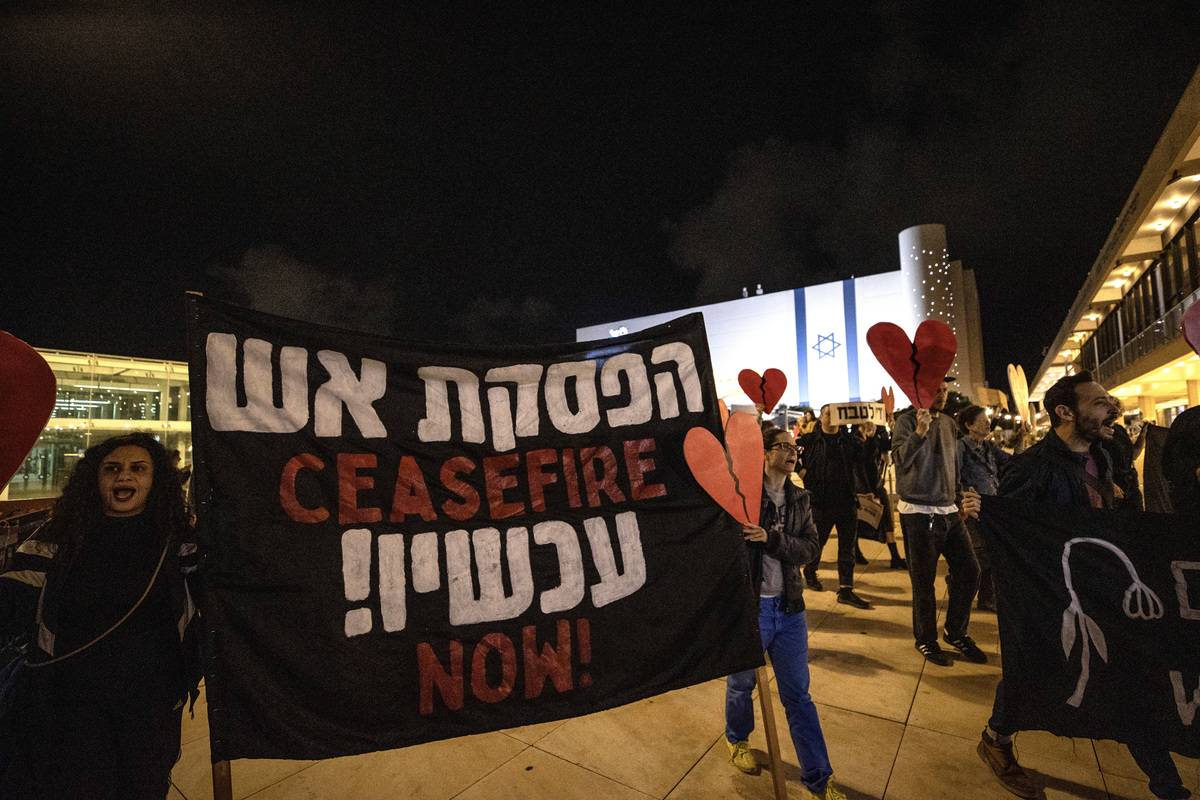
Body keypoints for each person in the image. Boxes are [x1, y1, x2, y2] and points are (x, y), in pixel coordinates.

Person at [978, 372, 1190, 800]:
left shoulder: (1107, 455)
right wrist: (986, 517)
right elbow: (1015, 537)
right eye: (1098, 402)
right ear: (1065, 411)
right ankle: (995, 739)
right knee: (1034, 668)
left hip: (1107, 589)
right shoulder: (1032, 467)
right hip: (1058, 595)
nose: (1111, 407)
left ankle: (1168, 788)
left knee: (1131, 680)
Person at [0, 433, 202, 800]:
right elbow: (13, 595)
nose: (124, 476)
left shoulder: (180, 539)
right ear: (96, 479)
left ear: (156, 480)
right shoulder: (59, 535)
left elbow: (220, 592)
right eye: (113, 469)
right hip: (68, 703)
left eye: (138, 468)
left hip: (151, 704)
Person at [724, 426, 846, 800]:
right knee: (741, 684)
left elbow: (810, 548)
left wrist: (771, 539)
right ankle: (738, 739)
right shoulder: (744, 494)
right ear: (764, 453)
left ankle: (819, 778)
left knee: (798, 696)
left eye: (795, 448)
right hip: (752, 609)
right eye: (783, 447)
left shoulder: (800, 498)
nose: (792, 453)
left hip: (790, 608)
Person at [891, 377, 985, 667]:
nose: (943, 394)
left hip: (949, 510)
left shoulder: (948, 423)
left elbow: (951, 465)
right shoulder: (905, 422)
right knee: (924, 582)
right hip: (918, 512)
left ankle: (955, 632)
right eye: (937, 389)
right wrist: (919, 432)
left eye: (945, 390)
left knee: (971, 572)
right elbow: (901, 460)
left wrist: (958, 499)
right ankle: (926, 639)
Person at [797, 405, 872, 608]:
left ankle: (846, 589)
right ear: (820, 417)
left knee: (847, 547)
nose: (831, 418)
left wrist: (865, 439)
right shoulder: (810, 440)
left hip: (846, 501)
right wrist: (803, 473)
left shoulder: (847, 440)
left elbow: (862, 462)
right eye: (827, 413)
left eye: (834, 414)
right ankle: (810, 571)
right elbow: (793, 452)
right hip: (820, 502)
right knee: (818, 542)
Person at [955, 405, 1010, 612]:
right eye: (982, 420)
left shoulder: (988, 446)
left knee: (990, 554)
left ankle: (987, 598)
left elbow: (1011, 462)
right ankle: (958, 589)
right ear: (969, 425)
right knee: (977, 555)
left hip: (990, 509)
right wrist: (961, 500)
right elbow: (954, 476)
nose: (988, 423)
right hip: (971, 510)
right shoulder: (960, 447)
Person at [854, 419, 907, 570]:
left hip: (876, 483)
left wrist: (891, 431)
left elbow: (884, 450)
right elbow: (859, 463)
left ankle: (895, 556)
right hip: (862, 486)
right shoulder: (854, 437)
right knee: (859, 520)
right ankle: (855, 550)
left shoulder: (878, 432)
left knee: (887, 519)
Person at [1163, 406, 1200, 511]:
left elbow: (1167, 464)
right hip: (1191, 496)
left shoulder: (1185, 417)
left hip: (1183, 496)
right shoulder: (1191, 420)